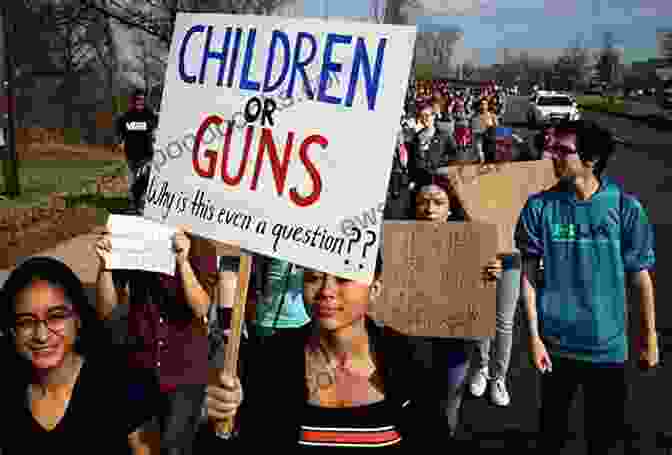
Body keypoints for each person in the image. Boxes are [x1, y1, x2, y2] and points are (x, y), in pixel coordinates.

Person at [515, 119, 658, 454]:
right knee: (551, 437)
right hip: (556, 346)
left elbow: (640, 277)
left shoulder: (625, 208)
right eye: (551, 148)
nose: (552, 155)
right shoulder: (538, 208)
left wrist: (649, 337)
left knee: (603, 439)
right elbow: (528, 278)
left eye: (562, 150)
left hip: (608, 349)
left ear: (591, 159)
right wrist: (534, 339)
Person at [204, 253, 446, 449]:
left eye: (343, 278)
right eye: (314, 277)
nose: (326, 291)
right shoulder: (269, 359)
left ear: (375, 288)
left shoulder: (410, 358)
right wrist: (224, 424)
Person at [0, 257, 161, 454]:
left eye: (56, 316)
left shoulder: (124, 384)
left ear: (78, 319)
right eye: (26, 321)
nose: (41, 335)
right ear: (11, 330)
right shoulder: (6, 390)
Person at [95, 227, 216, 455]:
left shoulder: (201, 246)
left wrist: (183, 263)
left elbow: (201, 307)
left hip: (184, 372)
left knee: (175, 448)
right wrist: (105, 266)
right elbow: (107, 309)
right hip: (140, 366)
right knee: (140, 448)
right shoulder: (133, 238)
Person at [408, 168, 502, 439]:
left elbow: (481, 289)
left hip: (455, 339)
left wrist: (490, 272)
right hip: (413, 339)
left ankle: (445, 438)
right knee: (415, 396)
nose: (429, 209)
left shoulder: (469, 241)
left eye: (438, 202)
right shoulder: (398, 242)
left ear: (450, 209)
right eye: (423, 202)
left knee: (450, 396)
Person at [116, 89, 158, 210]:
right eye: (137, 99)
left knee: (143, 179)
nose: (140, 101)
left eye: (142, 99)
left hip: (146, 155)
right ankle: (132, 204)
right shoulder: (127, 116)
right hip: (130, 155)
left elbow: (157, 128)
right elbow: (120, 131)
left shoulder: (150, 115)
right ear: (133, 101)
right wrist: (120, 142)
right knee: (132, 181)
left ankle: (141, 203)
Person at [408, 104, 455, 187]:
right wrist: (412, 179)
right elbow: (411, 161)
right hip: (420, 181)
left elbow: (454, 154)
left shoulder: (444, 135)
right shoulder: (416, 137)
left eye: (427, 115)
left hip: (439, 180)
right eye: (422, 116)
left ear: (433, 116)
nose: (424, 118)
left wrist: (442, 166)